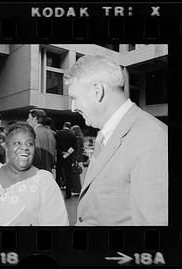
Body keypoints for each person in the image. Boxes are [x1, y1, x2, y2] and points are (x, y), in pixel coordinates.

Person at [64, 54, 168, 226]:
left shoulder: (152, 138)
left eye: (74, 98)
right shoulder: (107, 133)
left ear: (97, 91)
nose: (73, 108)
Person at [0, 122, 69, 226]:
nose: (24, 147)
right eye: (17, 143)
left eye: (29, 143)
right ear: (6, 147)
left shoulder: (44, 182)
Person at [55, 122, 78, 199]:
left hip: (59, 158)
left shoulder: (58, 134)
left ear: (63, 126)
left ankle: (57, 194)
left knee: (58, 176)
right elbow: (75, 147)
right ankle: (68, 194)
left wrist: (61, 152)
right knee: (68, 176)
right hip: (68, 159)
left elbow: (55, 145)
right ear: (70, 127)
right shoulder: (72, 135)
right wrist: (67, 154)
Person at [70, 125, 86, 195]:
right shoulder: (81, 138)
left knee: (77, 175)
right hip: (80, 159)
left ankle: (78, 190)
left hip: (76, 159)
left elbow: (74, 150)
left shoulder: (76, 139)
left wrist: (73, 160)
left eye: (72, 130)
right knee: (81, 174)